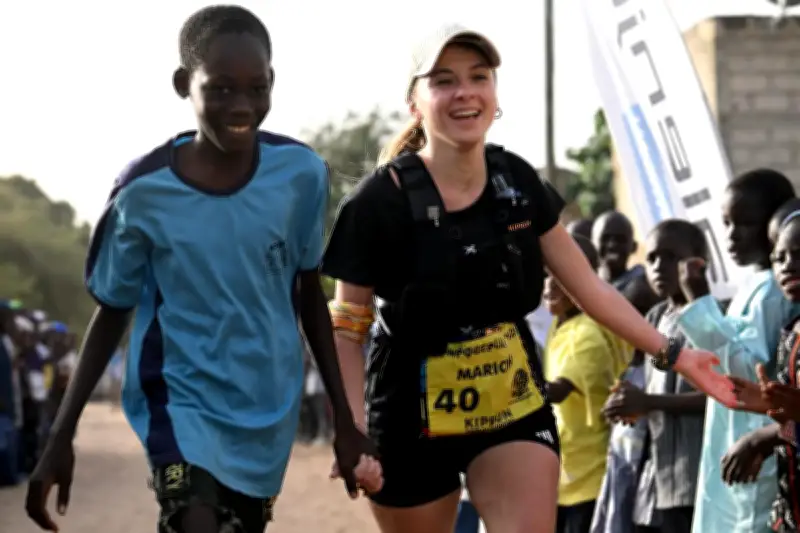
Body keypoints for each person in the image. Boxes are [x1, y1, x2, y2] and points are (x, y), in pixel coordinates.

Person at [321, 23, 735, 533]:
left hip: (510, 401)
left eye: (479, 77)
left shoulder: (515, 182)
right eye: (444, 81)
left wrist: (677, 355)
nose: (465, 92)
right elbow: (347, 328)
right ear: (414, 104)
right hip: (409, 412)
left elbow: (590, 288)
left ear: (494, 95)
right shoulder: (376, 203)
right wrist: (353, 428)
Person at [24, 6, 380, 533]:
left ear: (273, 82)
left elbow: (307, 293)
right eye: (220, 89)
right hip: (179, 398)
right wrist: (60, 435)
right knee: (194, 519)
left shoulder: (300, 176)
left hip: (266, 404)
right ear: (182, 84)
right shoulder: (143, 194)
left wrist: (345, 424)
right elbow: (113, 311)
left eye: (257, 88)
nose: (241, 106)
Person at [676, 169, 799, 533]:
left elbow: (752, 368)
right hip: (736, 431)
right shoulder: (757, 283)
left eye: (744, 224)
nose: (731, 235)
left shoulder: (775, 291)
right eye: (727, 223)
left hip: (760, 436)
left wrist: (700, 302)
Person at [604, 220, 710, 533]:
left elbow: (719, 397)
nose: (659, 266)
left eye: (670, 257)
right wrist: (630, 402)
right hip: (662, 478)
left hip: (700, 475)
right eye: (651, 258)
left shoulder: (710, 317)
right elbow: (665, 374)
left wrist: (649, 401)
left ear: (699, 262)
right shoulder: (656, 318)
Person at [726, 205, 800, 532]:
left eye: (798, 254)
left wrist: (763, 436)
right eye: (779, 258)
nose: (788, 265)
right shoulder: (791, 333)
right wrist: (771, 408)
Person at [542, 235, 621, 533]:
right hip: (566, 474)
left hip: (588, 476)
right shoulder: (560, 325)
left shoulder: (585, 333)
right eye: (546, 274)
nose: (550, 285)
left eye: (560, 276)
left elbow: (557, 391)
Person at [592, 211, 661, 315]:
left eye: (620, 240)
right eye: (605, 238)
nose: (612, 245)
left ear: (633, 246)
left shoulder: (644, 284)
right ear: (592, 243)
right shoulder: (588, 287)